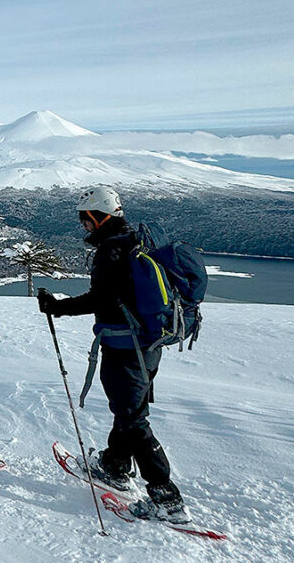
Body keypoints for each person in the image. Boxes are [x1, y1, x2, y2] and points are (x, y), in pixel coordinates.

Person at [36, 185, 190, 524]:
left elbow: (100, 299)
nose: (84, 227)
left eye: (86, 220)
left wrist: (56, 307)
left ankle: (167, 497)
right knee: (128, 408)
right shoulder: (134, 241)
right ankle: (115, 465)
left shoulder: (112, 251)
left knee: (134, 419)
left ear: (100, 216)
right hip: (147, 346)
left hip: (125, 347)